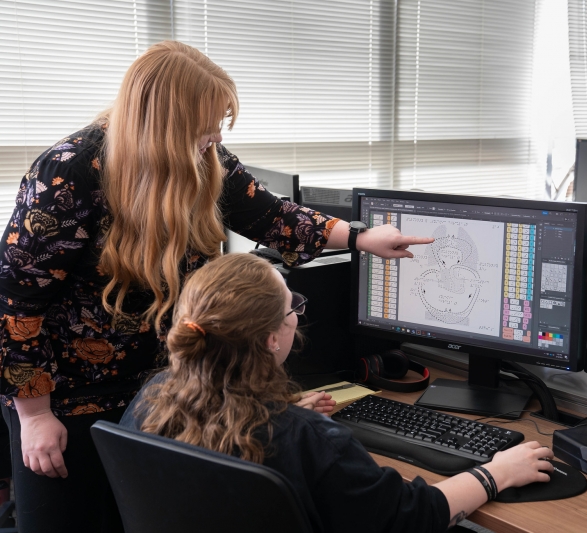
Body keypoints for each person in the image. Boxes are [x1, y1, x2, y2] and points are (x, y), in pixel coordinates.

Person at [0, 41, 432, 533]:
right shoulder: (68, 171)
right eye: (206, 124)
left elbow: (270, 214)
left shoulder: (203, 155)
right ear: (166, 124)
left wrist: (359, 237)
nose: (216, 135)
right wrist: (34, 415)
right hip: (69, 396)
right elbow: (16, 304)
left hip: (164, 389)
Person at [120, 253, 555, 533]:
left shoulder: (151, 398)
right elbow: (413, 517)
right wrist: (496, 473)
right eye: (292, 306)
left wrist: (288, 415)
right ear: (271, 338)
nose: (297, 316)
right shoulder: (305, 438)